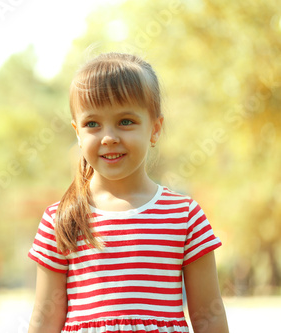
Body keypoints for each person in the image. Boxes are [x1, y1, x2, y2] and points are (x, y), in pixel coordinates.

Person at [27, 52, 229, 333]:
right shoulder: (59, 219)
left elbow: (209, 317)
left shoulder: (185, 216)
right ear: (77, 132)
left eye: (125, 121)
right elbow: (45, 319)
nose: (109, 137)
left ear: (155, 129)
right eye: (92, 124)